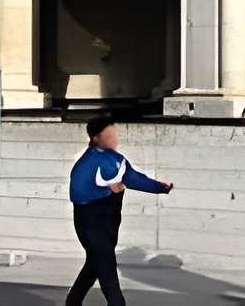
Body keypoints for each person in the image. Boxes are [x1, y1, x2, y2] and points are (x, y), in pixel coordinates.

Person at [66, 113, 174, 306]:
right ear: (95, 138)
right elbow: (78, 193)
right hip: (92, 221)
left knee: (94, 263)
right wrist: (108, 189)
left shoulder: (115, 159)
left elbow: (133, 178)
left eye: (114, 135)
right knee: (106, 264)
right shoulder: (90, 163)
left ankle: (73, 302)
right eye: (109, 135)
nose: (114, 139)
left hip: (106, 221)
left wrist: (159, 186)